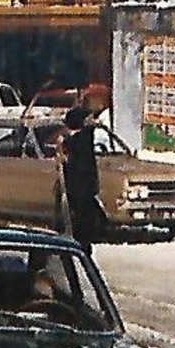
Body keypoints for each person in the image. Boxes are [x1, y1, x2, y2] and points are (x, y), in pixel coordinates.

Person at [57, 107, 106, 254]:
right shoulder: (80, 139)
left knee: (83, 221)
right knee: (82, 222)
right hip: (80, 190)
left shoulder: (78, 139)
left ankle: (82, 246)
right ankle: (81, 247)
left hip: (81, 190)